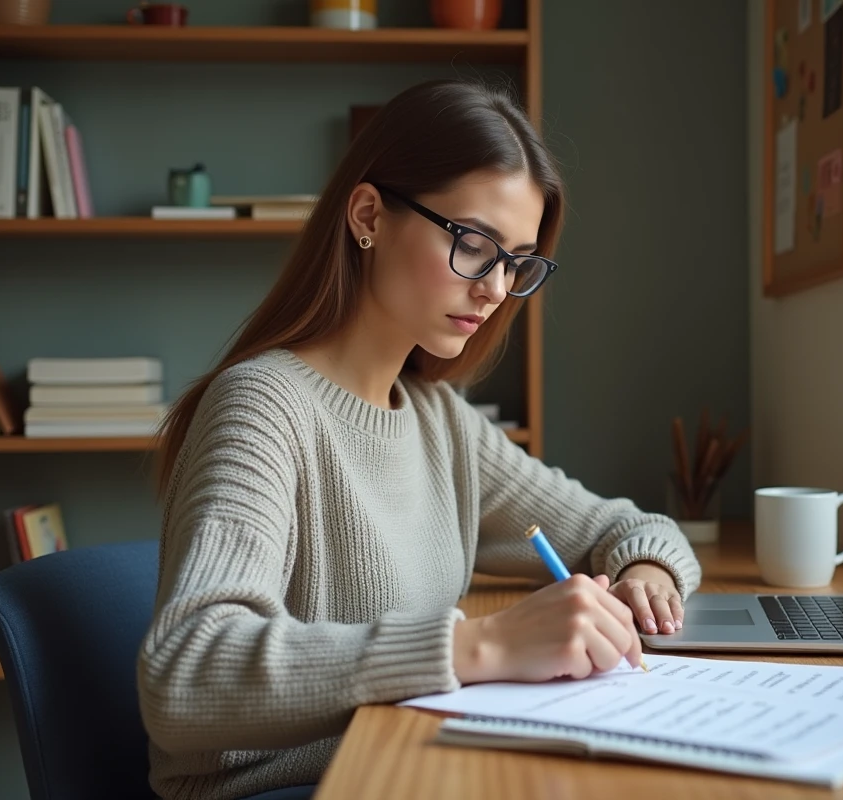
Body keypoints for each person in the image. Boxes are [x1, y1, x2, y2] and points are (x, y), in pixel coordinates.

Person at [137, 78, 703, 800]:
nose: (496, 289)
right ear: (369, 216)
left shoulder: (439, 419)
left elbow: (628, 526)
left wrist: (646, 577)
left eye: (517, 262)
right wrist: (482, 645)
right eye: (475, 243)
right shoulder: (262, 405)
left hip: (404, 761)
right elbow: (186, 673)